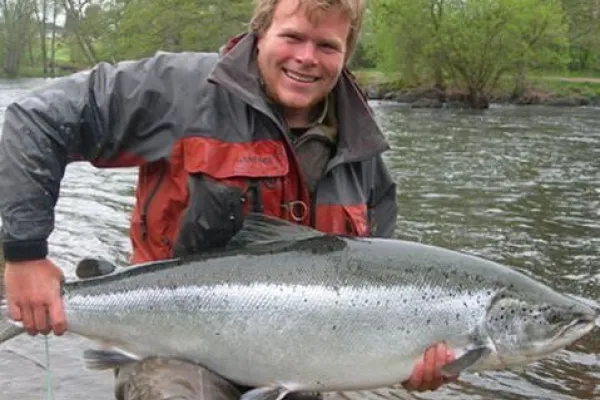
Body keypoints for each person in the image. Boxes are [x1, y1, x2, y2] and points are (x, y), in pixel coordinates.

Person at [0, 0, 457, 398]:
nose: (306, 58)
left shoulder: (366, 162)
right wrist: (25, 254)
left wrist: (408, 363)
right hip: (173, 350)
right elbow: (34, 121)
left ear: (347, 52)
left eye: (327, 46)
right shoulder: (177, 91)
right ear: (260, 32)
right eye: (292, 36)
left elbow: (381, 310)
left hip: (302, 367)